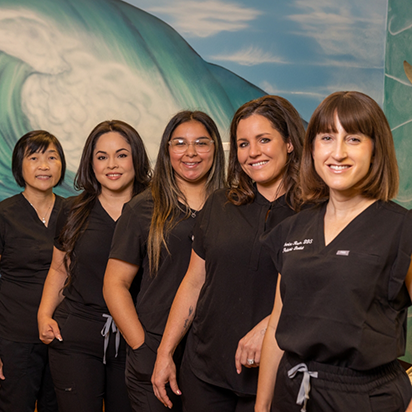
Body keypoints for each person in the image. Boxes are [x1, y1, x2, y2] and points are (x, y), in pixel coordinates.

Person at [255, 91, 412, 412]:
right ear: (312, 148)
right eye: (327, 137)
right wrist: (262, 406)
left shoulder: (401, 229)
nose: (337, 153)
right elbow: (276, 325)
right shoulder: (292, 229)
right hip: (295, 392)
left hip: (367, 399)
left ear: (375, 150)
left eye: (353, 139)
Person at [151, 96, 305, 412]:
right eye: (243, 144)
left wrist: (267, 327)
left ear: (289, 143)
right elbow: (194, 283)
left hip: (275, 376)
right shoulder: (220, 204)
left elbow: (323, 293)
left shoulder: (315, 213)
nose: (253, 152)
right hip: (204, 373)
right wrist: (165, 353)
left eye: (264, 139)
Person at [103, 110, 225, 411]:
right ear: (167, 149)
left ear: (216, 149)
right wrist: (142, 346)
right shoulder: (143, 208)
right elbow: (114, 284)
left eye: (201, 143)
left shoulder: (233, 206)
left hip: (214, 353)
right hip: (155, 350)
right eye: (180, 143)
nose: (191, 152)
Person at [37, 120, 151, 412]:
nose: (112, 164)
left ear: (136, 158)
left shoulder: (156, 211)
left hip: (136, 338)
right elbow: (59, 269)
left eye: (122, 155)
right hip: (76, 337)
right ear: (91, 162)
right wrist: (44, 313)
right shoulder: (72, 210)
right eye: (102, 157)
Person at [0, 130, 66, 412]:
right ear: (19, 165)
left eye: (52, 157)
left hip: (65, 335)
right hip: (15, 338)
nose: (44, 165)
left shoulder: (74, 212)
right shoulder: (4, 214)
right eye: (34, 157)